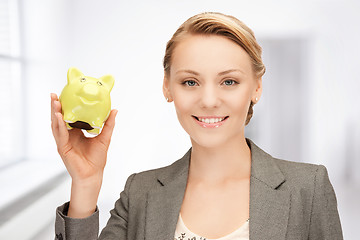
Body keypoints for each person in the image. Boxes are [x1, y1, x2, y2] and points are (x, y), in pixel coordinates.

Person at [51, 12, 343, 240]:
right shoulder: (139, 193)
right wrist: (86, 184)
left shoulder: (309, 188)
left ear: (256, 87)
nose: (209, 100)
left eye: (229, 81)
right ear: (168, 88)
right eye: (190, 82)